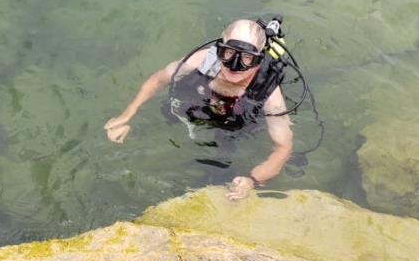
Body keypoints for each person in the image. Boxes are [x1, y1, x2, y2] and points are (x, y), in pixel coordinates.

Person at [104, 19, 293, 201]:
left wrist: (252, 180)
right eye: (229, 54)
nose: (235, 66)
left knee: (221, 164)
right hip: (196, 107)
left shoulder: (270, 95)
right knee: (167, 113)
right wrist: (128, 114)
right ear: (220, 50)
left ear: (259, 60)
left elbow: (283, 148)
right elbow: (159, 79)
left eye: (247, 58)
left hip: (233, 127)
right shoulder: (202, 60)